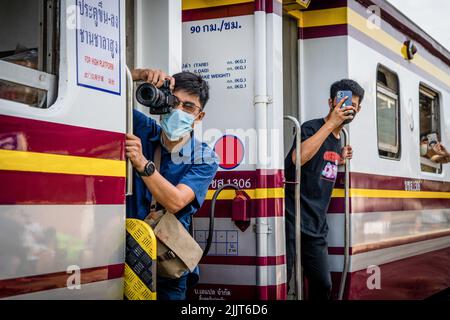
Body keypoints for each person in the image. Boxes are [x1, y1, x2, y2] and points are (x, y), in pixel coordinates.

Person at [126, 69, 219, 300]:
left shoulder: (205, 157)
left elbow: (176, 201)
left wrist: (142, 164)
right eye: (173, 101)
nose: (179, 110)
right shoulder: (144, 129)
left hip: (169, 267)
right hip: (126, 256)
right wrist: (137, 75)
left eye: (188, 107)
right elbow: (103, 92)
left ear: (199, 117)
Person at [284, 79, 365, 300]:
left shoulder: (340, 140)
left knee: (323, 285)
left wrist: (338, 159)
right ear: (331, 102)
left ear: (358, 109)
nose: (348, 107)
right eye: (343, 102)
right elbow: (298, 158)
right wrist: (330, 124)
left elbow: (320, 163)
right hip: (293, 217)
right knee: (282, 281)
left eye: (353, 104)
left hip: (316, 223)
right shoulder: (311, 127)